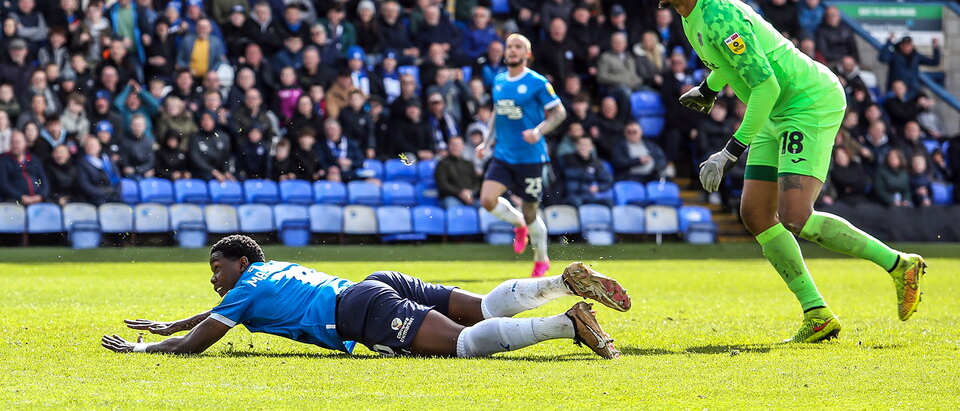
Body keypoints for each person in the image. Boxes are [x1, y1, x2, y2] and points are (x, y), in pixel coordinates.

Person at [654, 0, 926, 343]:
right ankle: (817, 314)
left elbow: (765, 85)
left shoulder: (719, 16)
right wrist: (709, 88)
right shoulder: (691, 14)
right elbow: (734, 64)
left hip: (806, 104)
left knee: (796, 215)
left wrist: (729, 152)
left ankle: (900, 265)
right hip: (775, 110)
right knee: (757, 214)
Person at [102, 235, 630, 358]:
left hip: (359, 310)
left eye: (217, 269)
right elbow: (217, 314)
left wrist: (149, 348)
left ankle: (567, 324)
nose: (214, 279)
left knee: (465, 346)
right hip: (373, 284)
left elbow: (204, 339)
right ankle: (562, 284)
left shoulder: (244, 287)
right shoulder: (267, 270)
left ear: (240, 264)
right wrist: (175, 324)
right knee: (486, 308)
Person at [476, 34, 567, 277]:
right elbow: (498, 111)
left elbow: (559, 113)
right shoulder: (499, 80)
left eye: (518, 47)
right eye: (509, 47)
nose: (512, 51)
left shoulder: (537, 82)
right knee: (487, 200)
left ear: (527, 54)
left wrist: (538, 132)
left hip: (530, 158)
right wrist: (486, 141)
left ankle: (541, 259)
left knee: (531, 213)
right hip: (504, 154)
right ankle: (518, 225)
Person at [0, 130, 48, 205]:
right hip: (15, 201)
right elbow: (4, 184)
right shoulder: (4, 161)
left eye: (17, 142)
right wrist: (21, 197)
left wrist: (41, 195)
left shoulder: (34, 159)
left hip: (38, 200)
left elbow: (44, 180)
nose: (15, 145)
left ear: (25, 143)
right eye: (12, 142)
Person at [435, 135, 481, 208]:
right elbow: (443, 185)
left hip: (470, 197)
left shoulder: (469, 164)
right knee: (452, 205)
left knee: (484, 205)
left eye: (458, 144)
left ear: (463, 146)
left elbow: (476, 183)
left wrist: (470, 192)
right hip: (451, 197)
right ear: (449, 146)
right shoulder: (442, 164)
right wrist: (460, 193)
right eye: (453, 144)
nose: (456, 147)